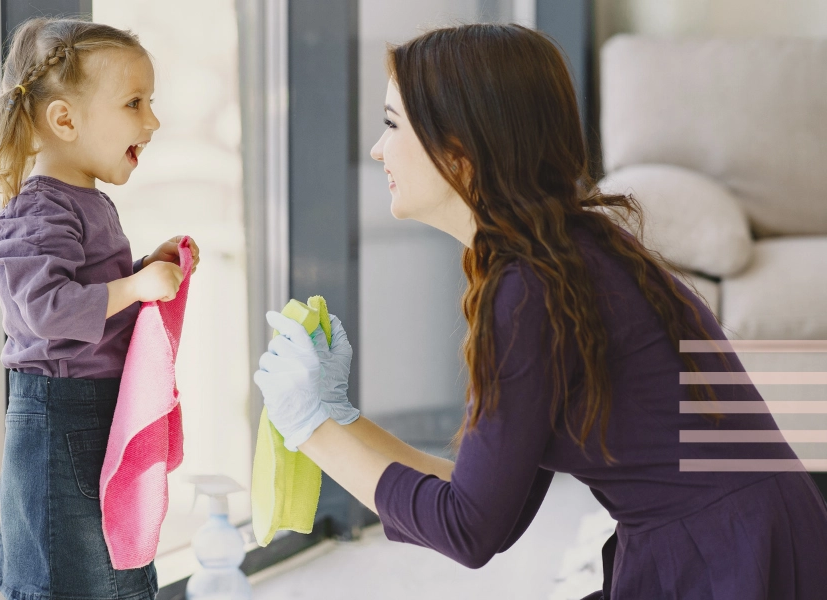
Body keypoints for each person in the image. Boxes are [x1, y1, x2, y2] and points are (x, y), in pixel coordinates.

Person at [253, 23, 827, 599]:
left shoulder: (531, 290)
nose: (378, 149)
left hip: (727, 564)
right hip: (752, 538)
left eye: (391, 125)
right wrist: (338, 419)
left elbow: (468, 529)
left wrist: (311, 426)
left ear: (461, 150)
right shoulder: (562, 256)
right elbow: (484, 505)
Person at [0, 17, 199, 600]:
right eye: (134, 103)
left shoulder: (82, 201)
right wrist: (138, 286)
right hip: (63, 418)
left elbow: (90, 293)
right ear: (65, 119)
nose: (152, 121)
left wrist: (142, 268)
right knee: (78, 578)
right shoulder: (39, 211)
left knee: (111, 565)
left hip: (92, 412)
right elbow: (47, 311)